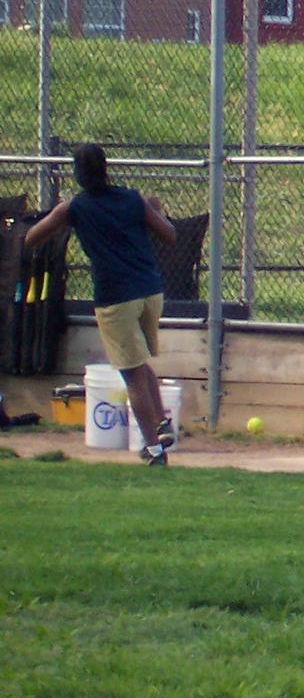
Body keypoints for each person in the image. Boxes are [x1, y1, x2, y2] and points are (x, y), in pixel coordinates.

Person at [25, 144, 177, 464]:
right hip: (150, 292)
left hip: (115, 298)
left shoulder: (75, 208)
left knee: (131, 373)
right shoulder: (133, 199)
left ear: (78, 174)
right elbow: (170, 236)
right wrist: (155, 209)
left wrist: (56, 214)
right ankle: (162, 421)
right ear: (106, 169)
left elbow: (33, 237)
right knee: (139, 360)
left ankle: (153, 448)